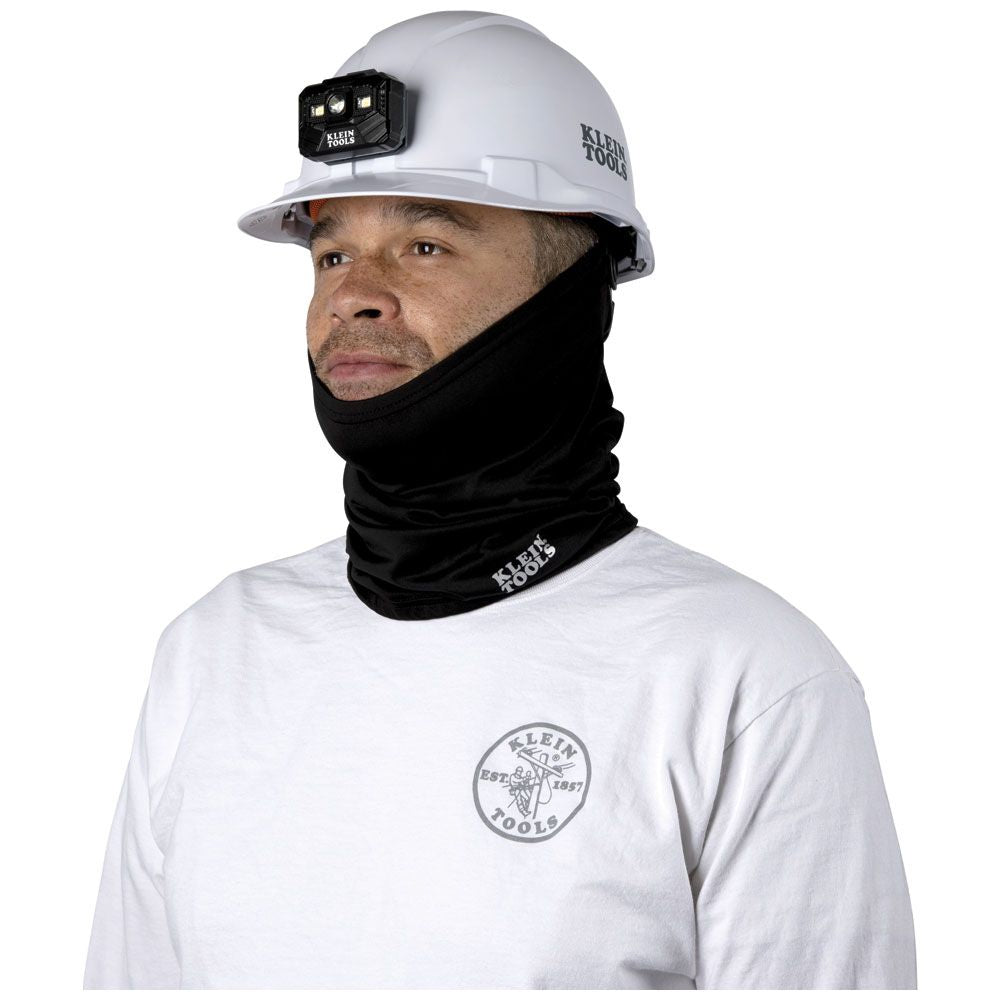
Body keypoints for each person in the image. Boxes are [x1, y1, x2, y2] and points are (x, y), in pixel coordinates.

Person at [82, 10, 917, 989]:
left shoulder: (745, 679)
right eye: (331, 254)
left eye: (425, 245)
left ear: (575, 290)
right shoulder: (212, 654)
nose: (352, 295)